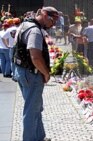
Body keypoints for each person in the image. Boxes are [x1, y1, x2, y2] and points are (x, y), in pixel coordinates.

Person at [13, 6, 59, 141]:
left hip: (23, 71)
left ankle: (39, 136)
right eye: (53, 20)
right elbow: (36, 57)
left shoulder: (25, 24)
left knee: (36, 106)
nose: (53, 24)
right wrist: (46, 73)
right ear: (45, 15)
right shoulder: (34, 31)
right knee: (32, 110)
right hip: (31, 73)